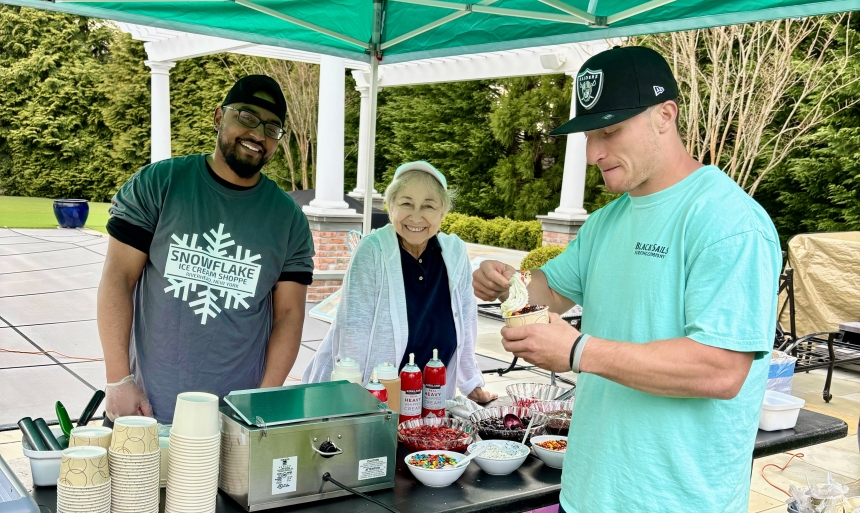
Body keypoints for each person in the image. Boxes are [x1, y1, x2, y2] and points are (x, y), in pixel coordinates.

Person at [472, 46, 781, 512]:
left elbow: (721, 370)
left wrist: (578, 351)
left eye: (610, 131)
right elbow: (550, 290)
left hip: (678, 500)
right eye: (588, 135)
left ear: (665, 114)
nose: (594, 152)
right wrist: (509, 282)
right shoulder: (606, 222)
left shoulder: (728, 222)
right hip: (589, 490)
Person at [99, 75, 315, 424]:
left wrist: (261, 399)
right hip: (145, 408)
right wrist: (119, 380)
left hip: (235, 417)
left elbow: (289, 315)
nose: (258, 134)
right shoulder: (159, 184)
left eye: (272, 128)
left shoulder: (289, 220)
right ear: (218, 117)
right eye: (246, 117)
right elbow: (118, 278)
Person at [304, 161, 496, 403]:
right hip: (370, 394)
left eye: (428, 206)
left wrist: (472, 383)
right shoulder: (373, 250)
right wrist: (352, 400)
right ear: (391, 206)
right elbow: (353, 330)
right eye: (406, 203)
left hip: (430, 395)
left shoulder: (454, 252)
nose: (416, 216)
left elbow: (466, 321)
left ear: (443, 213)